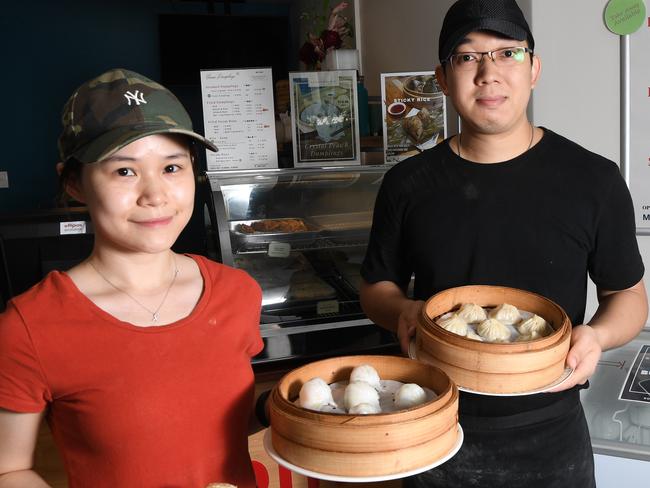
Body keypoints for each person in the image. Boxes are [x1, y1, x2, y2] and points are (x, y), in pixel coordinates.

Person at [360, 0, 648, 486]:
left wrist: (597, 336)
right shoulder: (408, 183)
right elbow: (376, 286)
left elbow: (628, 297)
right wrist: (402, 311)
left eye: (508, 54)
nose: (488, 73)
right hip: (432, 426)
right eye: (467, 57)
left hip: (552, 436)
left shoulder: (593, 179)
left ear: (534, 69)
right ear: (443, 77)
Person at [0, 69, 264, 487]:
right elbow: (8, 469)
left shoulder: (237, 293)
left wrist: (274, 409)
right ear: (74, 183)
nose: (155, 194)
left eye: (172, 167)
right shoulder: (29, 326)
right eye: (125, 171)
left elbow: (212, 428)